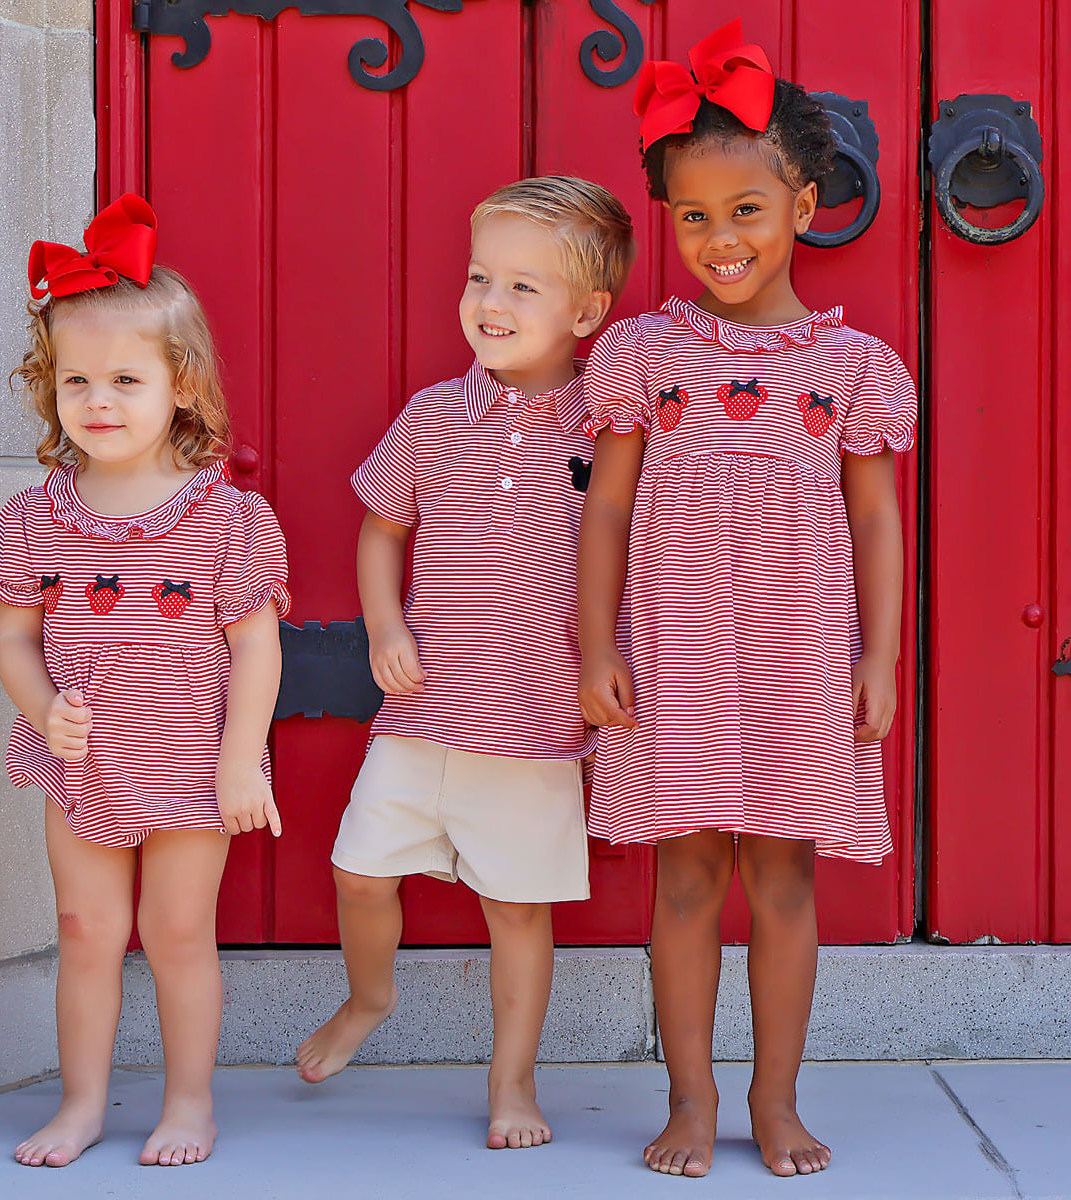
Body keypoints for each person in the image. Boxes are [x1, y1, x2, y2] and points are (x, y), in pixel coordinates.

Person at [578, 22, 917, 1179]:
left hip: (798, 653)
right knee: (684, 876)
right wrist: (593, 645)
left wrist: (880, 657)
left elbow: (875, 517)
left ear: (805, 205)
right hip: (674, 646)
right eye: (694, 217)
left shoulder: (853, 369)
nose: (720, 240)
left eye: (746, 211)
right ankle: (688, 1100)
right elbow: (608, 512)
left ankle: (775, 1101)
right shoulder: (645, 355)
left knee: (782, 874)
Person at [296, 176, 635, 1150]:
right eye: (481, 276)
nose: (490, 301)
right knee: (358, 873)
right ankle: (369, 997)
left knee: (518, 914)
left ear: (587, 312)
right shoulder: (436, 416)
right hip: (424, 712)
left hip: (532, 727)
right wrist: (384, 628)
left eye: (524, 287)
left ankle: (513, 1083)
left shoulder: (608, 434)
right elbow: (378, 529)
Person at [0, 194, 290, 1168]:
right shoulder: (37, 519)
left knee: (175, 934)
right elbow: (13, 638)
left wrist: (244, 759)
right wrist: (44, 711)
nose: (98, 401)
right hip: (83, 766)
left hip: (192, 766)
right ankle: (80, 1105)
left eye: (125, 377)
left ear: (182, 387)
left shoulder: (225, 520)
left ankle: (188, 1103)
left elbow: (255, 645)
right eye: (76, 380)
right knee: (85, 928)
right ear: (51, 388)